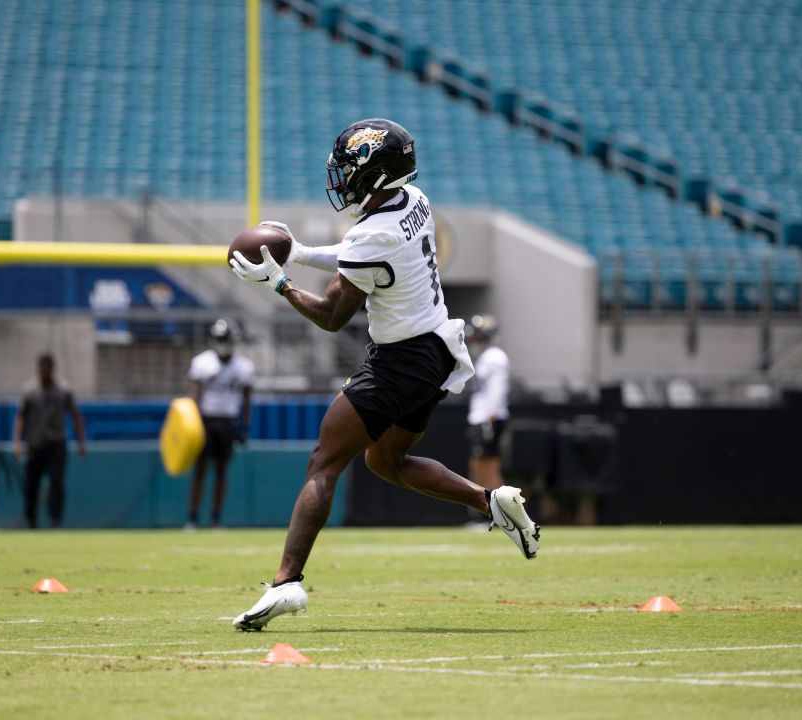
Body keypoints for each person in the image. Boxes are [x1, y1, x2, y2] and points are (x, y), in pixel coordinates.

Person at [227, 118, 540, 631]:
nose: (342, 176)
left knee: (324, 461)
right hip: (436, 349)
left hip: (400, 359)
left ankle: (285, 584)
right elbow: (357, 255)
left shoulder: (370, 235)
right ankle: (491, 502)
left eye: (350, 168)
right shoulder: (414, 199)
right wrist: (302, 253)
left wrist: (281, 284)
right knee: (386, 460)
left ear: (374, 172)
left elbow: (332, 317)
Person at [185, 319, 254, 530]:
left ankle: (215, 518)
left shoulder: (244, 367)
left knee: (221, 471)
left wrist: (244, 427)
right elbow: (195, 396)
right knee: (201, 469)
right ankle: (193, 518)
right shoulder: (202, 362)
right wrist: (192, 425)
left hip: (227, 421)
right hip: (206, 420)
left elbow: (246, 400)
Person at [13, 353, 87, 529]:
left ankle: (55, 520)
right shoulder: (29, 391)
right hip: (35, 443)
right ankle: (31, 520)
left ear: (52, 369)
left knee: (56, 483)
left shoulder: (63, 390)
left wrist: (81, 442)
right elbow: (21, 417)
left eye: (46, 369)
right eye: (41, 368)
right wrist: (17, 442)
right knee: (31, 484)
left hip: (56, 443)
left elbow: (76, 416)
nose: (43, 372)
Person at [465, 314, 510, 521]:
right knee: (478, 465)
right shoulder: (485, 357)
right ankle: (490, 512)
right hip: (481, 417)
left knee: (488, 468)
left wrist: (490, 416)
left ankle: (504, 516)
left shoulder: (495, 357)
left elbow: (498, 390)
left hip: (488, 418)